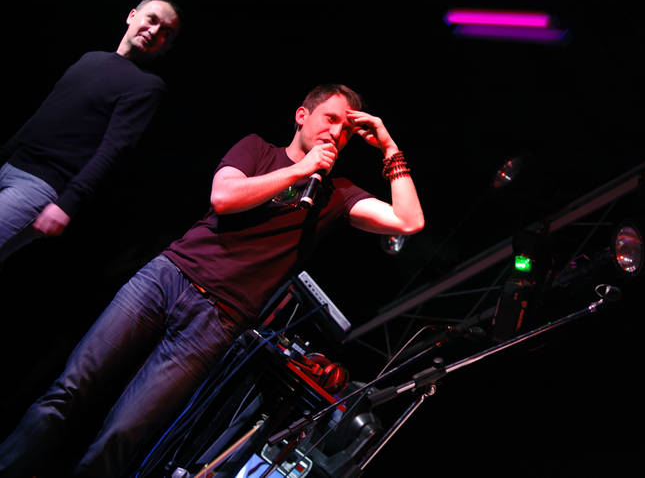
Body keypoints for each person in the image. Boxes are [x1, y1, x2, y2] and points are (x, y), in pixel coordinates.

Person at [0, 83, 424, 477]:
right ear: (302, 115)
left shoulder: (339, 194)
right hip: (166, 280)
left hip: (216, 320)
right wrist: (301, 171)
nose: (337, 133)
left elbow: (408, 221)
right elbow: (224, 197)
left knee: (124, 433)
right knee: (69, 393)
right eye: (331, 119)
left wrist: (389, 146)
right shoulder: (257, 148)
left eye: (347, 129)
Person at [0, 0, 181, 263]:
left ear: (167, 45)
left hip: (39, 185)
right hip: (10, 165)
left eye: (166, 31)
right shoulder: (90, 59)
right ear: (132, 16)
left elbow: (115, 148)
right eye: (152, 20)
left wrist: (68, 203)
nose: (154, 31)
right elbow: (43, 116)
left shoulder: (147, 86)